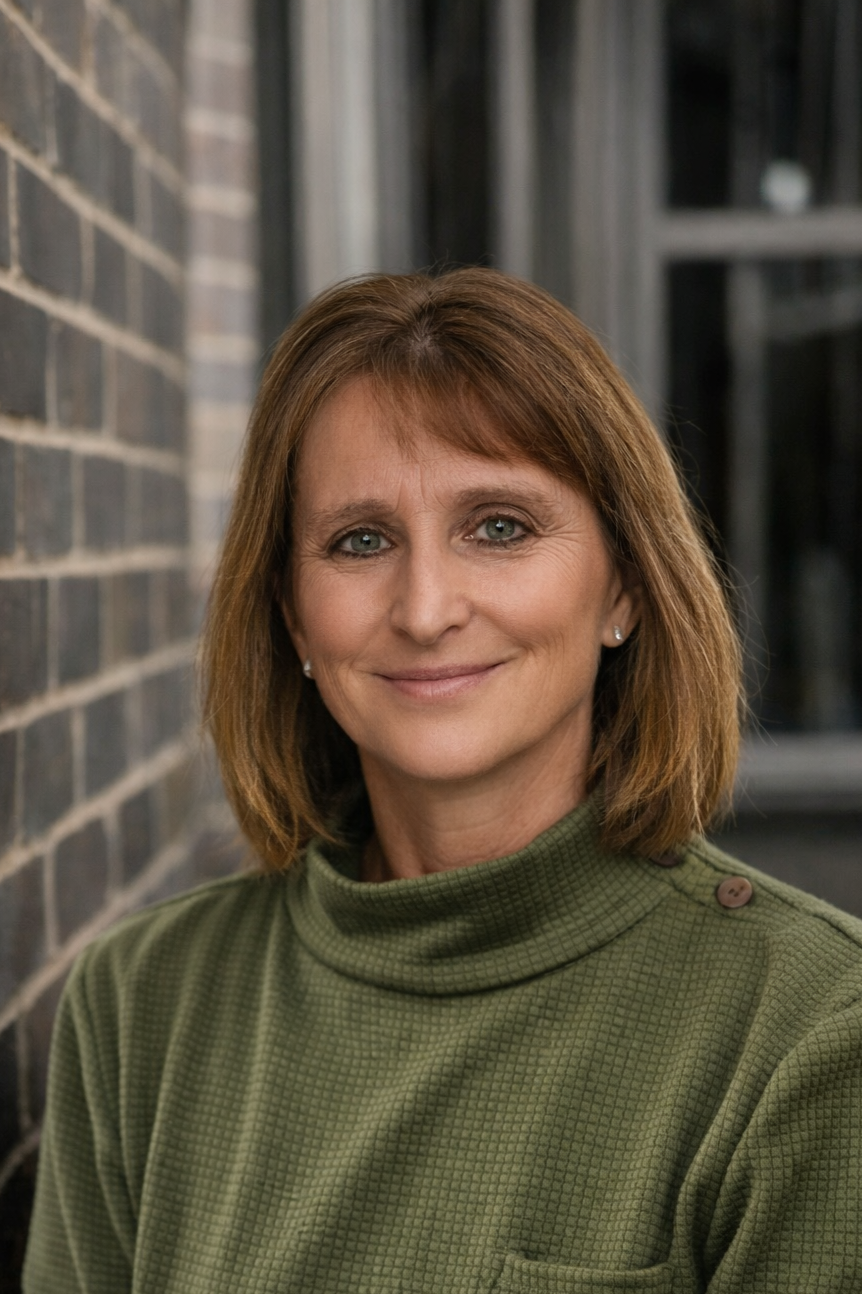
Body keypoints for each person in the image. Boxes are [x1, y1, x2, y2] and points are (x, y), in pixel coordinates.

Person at [24, 270, 862, 1293]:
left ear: (625, 586)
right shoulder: (140, 1002)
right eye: (360, 540)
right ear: (293, 617)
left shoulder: (809, 1030)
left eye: (499, 527)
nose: (425, 610)